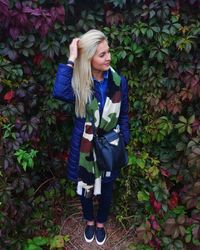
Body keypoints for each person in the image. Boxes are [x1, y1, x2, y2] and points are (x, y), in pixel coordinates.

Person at [53, 29, 130, 246]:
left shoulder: (118, 81)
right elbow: (59, 92)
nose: (109, 58)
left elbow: (123, 113)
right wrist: (71, 58)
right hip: (84, 145)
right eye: (102, 54)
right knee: (85, 188)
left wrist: (124, 139)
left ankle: (101, 223)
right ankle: (89, 221)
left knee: (107, 188)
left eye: (108, 52)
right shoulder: (80, 84)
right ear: (89, 59)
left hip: (110, 144)